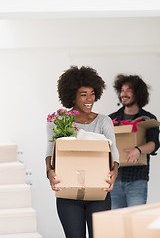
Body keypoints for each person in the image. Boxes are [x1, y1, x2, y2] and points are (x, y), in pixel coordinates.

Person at [45, 66, 119, 238]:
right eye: (83, 94)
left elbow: (113, 153)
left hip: (99, 194)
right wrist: (50, 172)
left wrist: (114, 173)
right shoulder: (59, 121)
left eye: (92, 93)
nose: (89, 99)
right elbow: (50, 152)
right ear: (72, 96)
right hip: (68, 195)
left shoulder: (103, 121)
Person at [109, 74, 160, 209]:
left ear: (138, 93)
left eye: (128, 90)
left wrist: (138, 150)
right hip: (114, 180)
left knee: (135, 221)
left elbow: (154, 144)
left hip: (137, 180)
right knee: (117, 223)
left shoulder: (147, 119)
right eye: (122, 90)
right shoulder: (111, 120)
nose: (124, 94)